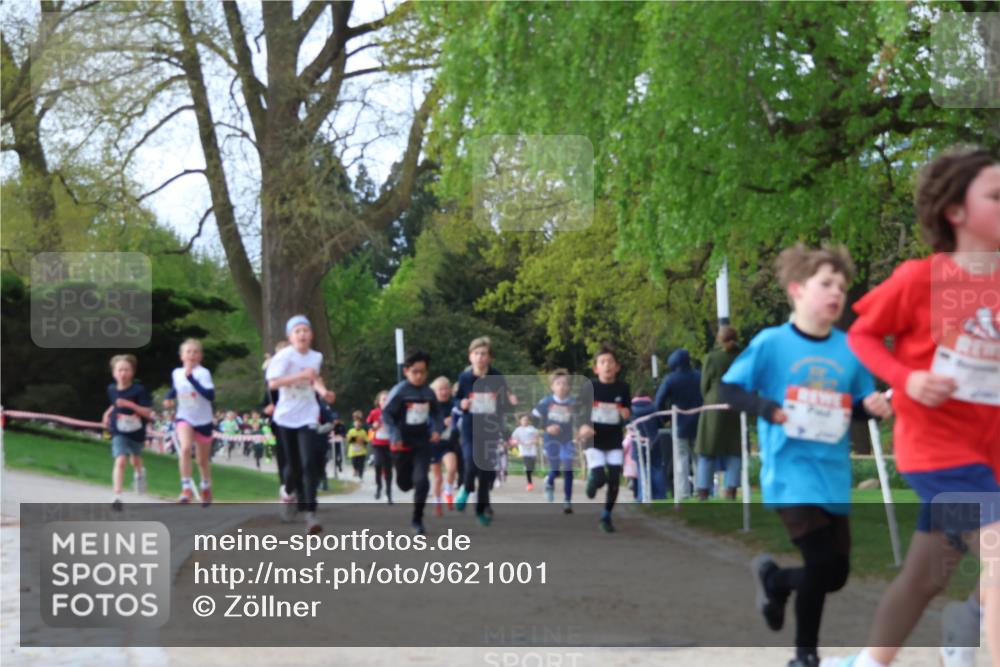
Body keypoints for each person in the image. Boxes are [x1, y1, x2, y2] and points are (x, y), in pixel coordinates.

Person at [824, 147, 1000, 667]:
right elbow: (862, 334)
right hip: (939, 451)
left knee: (926, 574)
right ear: (956, 212)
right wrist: (906, 377)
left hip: (989, 456)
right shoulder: (920, 279)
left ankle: (871, 662)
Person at [717, 244, 892, 667]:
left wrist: (875, 408)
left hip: (831, 473)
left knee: (834, 574)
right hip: (789, 473)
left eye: (842, 287)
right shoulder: (772, 343)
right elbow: (729, 389)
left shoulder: (849, 349)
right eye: (826, 284)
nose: (837, 293)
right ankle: (805, 656)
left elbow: (854, 406)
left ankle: (775, 580)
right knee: (818, 561)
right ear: (797, 290)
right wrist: (767, 409)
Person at [266, 315, 336, 535]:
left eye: (306, 330)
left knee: (309, 464)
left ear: (311, 335)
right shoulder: (284, 356)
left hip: (307, 414)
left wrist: (324, 392)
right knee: (293, 468)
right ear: (290, 336)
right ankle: (287, 492)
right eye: (297, 331)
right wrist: (299, 375)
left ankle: (310, 516)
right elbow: (273, 383)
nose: (302, 334)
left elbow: (315, 378)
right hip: (286, 416)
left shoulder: (316, 357)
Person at [455, 336, 518, 525]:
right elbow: (456, 400)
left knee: (484, 473)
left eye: (484, 354)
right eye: (477, 353)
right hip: (469, 429)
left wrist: (512, 402)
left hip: (489, 430)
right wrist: (462, 403)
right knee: (471, 464)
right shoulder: (465, 377)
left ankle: (480, 511)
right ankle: (466, 489)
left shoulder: (497, 377)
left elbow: (504, 404)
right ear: (470, 357)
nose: (480, 357)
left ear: (490, 357)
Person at [381, 350, 445, 535]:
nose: (419, 376)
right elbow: (387, 414)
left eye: (423, 372)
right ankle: (407, 481)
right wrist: (395, 436)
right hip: (402, 444)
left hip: (421, 442)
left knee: (422, 481)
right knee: (404, 484)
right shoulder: (400, 392)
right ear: (406, 371)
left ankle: (417, 520)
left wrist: (436, 429)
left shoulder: (428, 392)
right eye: (415, 372)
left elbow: (437, 413)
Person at [581, 346, 632, 532]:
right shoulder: (590, 387)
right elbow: (581, 411)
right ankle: (593, 480)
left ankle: (606, 516)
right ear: (596, 368)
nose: (607, 365)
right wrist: (583, 426)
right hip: (593, 440)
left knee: (614, 481)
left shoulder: (623, 388)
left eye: (610, 362)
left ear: (617, 367)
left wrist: (626, 413)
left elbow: (627, 411)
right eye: (603, 362)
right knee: (601, 479)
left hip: (613, 439)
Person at [164, 338, 216, 506]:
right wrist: (168, 397)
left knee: (201, 460)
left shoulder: (203, 373)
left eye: (195, 352)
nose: (192, 355)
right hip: (184, 417)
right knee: (185, 448)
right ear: (182, 356)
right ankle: (186, 488)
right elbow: (176, 389)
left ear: (200, 356)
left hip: (203, 420)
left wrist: (192, 379)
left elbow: (210, 395)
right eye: (188, 352)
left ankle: (205, 487)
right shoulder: (176, 373)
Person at [695, 326, 744, 500]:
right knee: (734, 449)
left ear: (718, 339)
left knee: (707, 449)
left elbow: (704, 385)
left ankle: (703, 490)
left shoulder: (711, 358)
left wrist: (708, 397)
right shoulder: (742, 356)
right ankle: (731, 489)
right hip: (736, 401)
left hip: (715, 402)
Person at [101, 354, 152, 510]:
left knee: (135, 459)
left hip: (136, 430)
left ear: (132, 372)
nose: (123, 373)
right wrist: (107, 413)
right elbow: (116, 404)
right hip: (118, 429)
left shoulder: (139, 390)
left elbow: (147, 412)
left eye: (126, 370)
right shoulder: (111, 389)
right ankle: (117, 496)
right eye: (120, 370)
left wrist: (131, 406)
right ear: (114, 373)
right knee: (121, 460)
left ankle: (139, 473)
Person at [655, 348, 702, 500]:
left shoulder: (670, 379)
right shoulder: (699, 376)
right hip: (699, 423)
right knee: (699, 458)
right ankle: (702, 490)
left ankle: (683, 493)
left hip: (679, 423)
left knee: (681, 459)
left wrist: (665, 419)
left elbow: (659, 402)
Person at [533, 369, 581, 513]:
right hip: (550, 440)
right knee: (555, 469)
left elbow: (579, 419)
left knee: (567, 467)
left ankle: (567, 501)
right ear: (552, 386)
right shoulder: (546, 402)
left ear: (569, 387)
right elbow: (534, 419)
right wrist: (546, 428)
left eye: (565, 384)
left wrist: (579, 431)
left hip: (566, 440)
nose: (561, 387)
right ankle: (549, 480)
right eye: (558, 383)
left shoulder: (573, 403)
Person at [430, 376, 460, 515]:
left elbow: (462, 417)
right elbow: (427, 424)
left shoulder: (454, 403)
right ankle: (437, 502)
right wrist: (442, 422)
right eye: (440, 389)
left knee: (452, 468)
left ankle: (448, 491)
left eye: (446, 388)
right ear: (434, 391)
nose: (444, 392)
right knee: (438, 478)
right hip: (433, 444)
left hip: (448, 443)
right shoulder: (430, 406)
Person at [367, 391, 393, 504]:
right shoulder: (374, 412)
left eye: (388, 399)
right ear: (379, 402)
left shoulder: (393, 412)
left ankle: (389, 493)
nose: (385, 401)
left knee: (388, 469)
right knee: (378, 464)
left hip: (389, 444)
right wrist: (373, 426)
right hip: (377, 444)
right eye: (383, 399)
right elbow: (368, 424)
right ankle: (379, 487)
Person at [510, 413, 540, 492]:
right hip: (523, 449)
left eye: (526, 420)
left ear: (528, 421)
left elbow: (537, 439)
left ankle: (527, 469)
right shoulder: (517, 430)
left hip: (532, 449)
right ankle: (530, 484)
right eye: (523, 420)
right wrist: (516, 442)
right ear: (520, 421)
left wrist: (533, 441)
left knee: (532, 467)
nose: (525, 421)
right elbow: (512, 440)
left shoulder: (532, 428)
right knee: (528, 467)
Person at [346, 411, 369, 479]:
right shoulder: (351, 430)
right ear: (354, 423)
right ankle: (355, 470)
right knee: (354, 464)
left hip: (361, 452)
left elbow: (366, 441)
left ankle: (361, 475)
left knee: (361, 465)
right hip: (353, 452)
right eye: (356, 422)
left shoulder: (363, 430)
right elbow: (349, 440)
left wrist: (363, 442)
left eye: (359, 422)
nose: (358, 424)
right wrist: (357, 439)